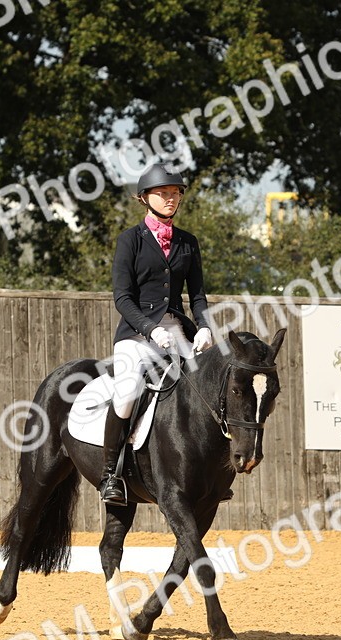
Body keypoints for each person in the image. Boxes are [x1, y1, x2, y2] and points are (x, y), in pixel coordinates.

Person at [99, 163, 215, 506]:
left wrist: (205, 324)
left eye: (175, 193)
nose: (170, 199)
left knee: (208, 386)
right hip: (136, 333)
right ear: (144, 199)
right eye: (162, 194)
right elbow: (122, 297)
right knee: (128, 390)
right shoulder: (130, 240)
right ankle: (111, 474)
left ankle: (209, 472)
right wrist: (149, 329)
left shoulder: (187, 243)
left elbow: (197, 295)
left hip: (177, 330)